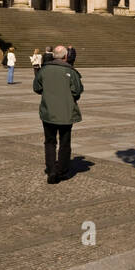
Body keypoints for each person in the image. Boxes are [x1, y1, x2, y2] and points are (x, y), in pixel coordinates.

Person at [34, 43, 83, 183]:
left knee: (49, 142)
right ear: (66, 56)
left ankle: (51, 170)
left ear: (54, 55)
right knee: (64, 142)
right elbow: (77, 91)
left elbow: (36, 87)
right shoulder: (71, 72)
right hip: (66, 113)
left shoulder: (44, 70)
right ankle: (61, 170)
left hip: (48, 112)